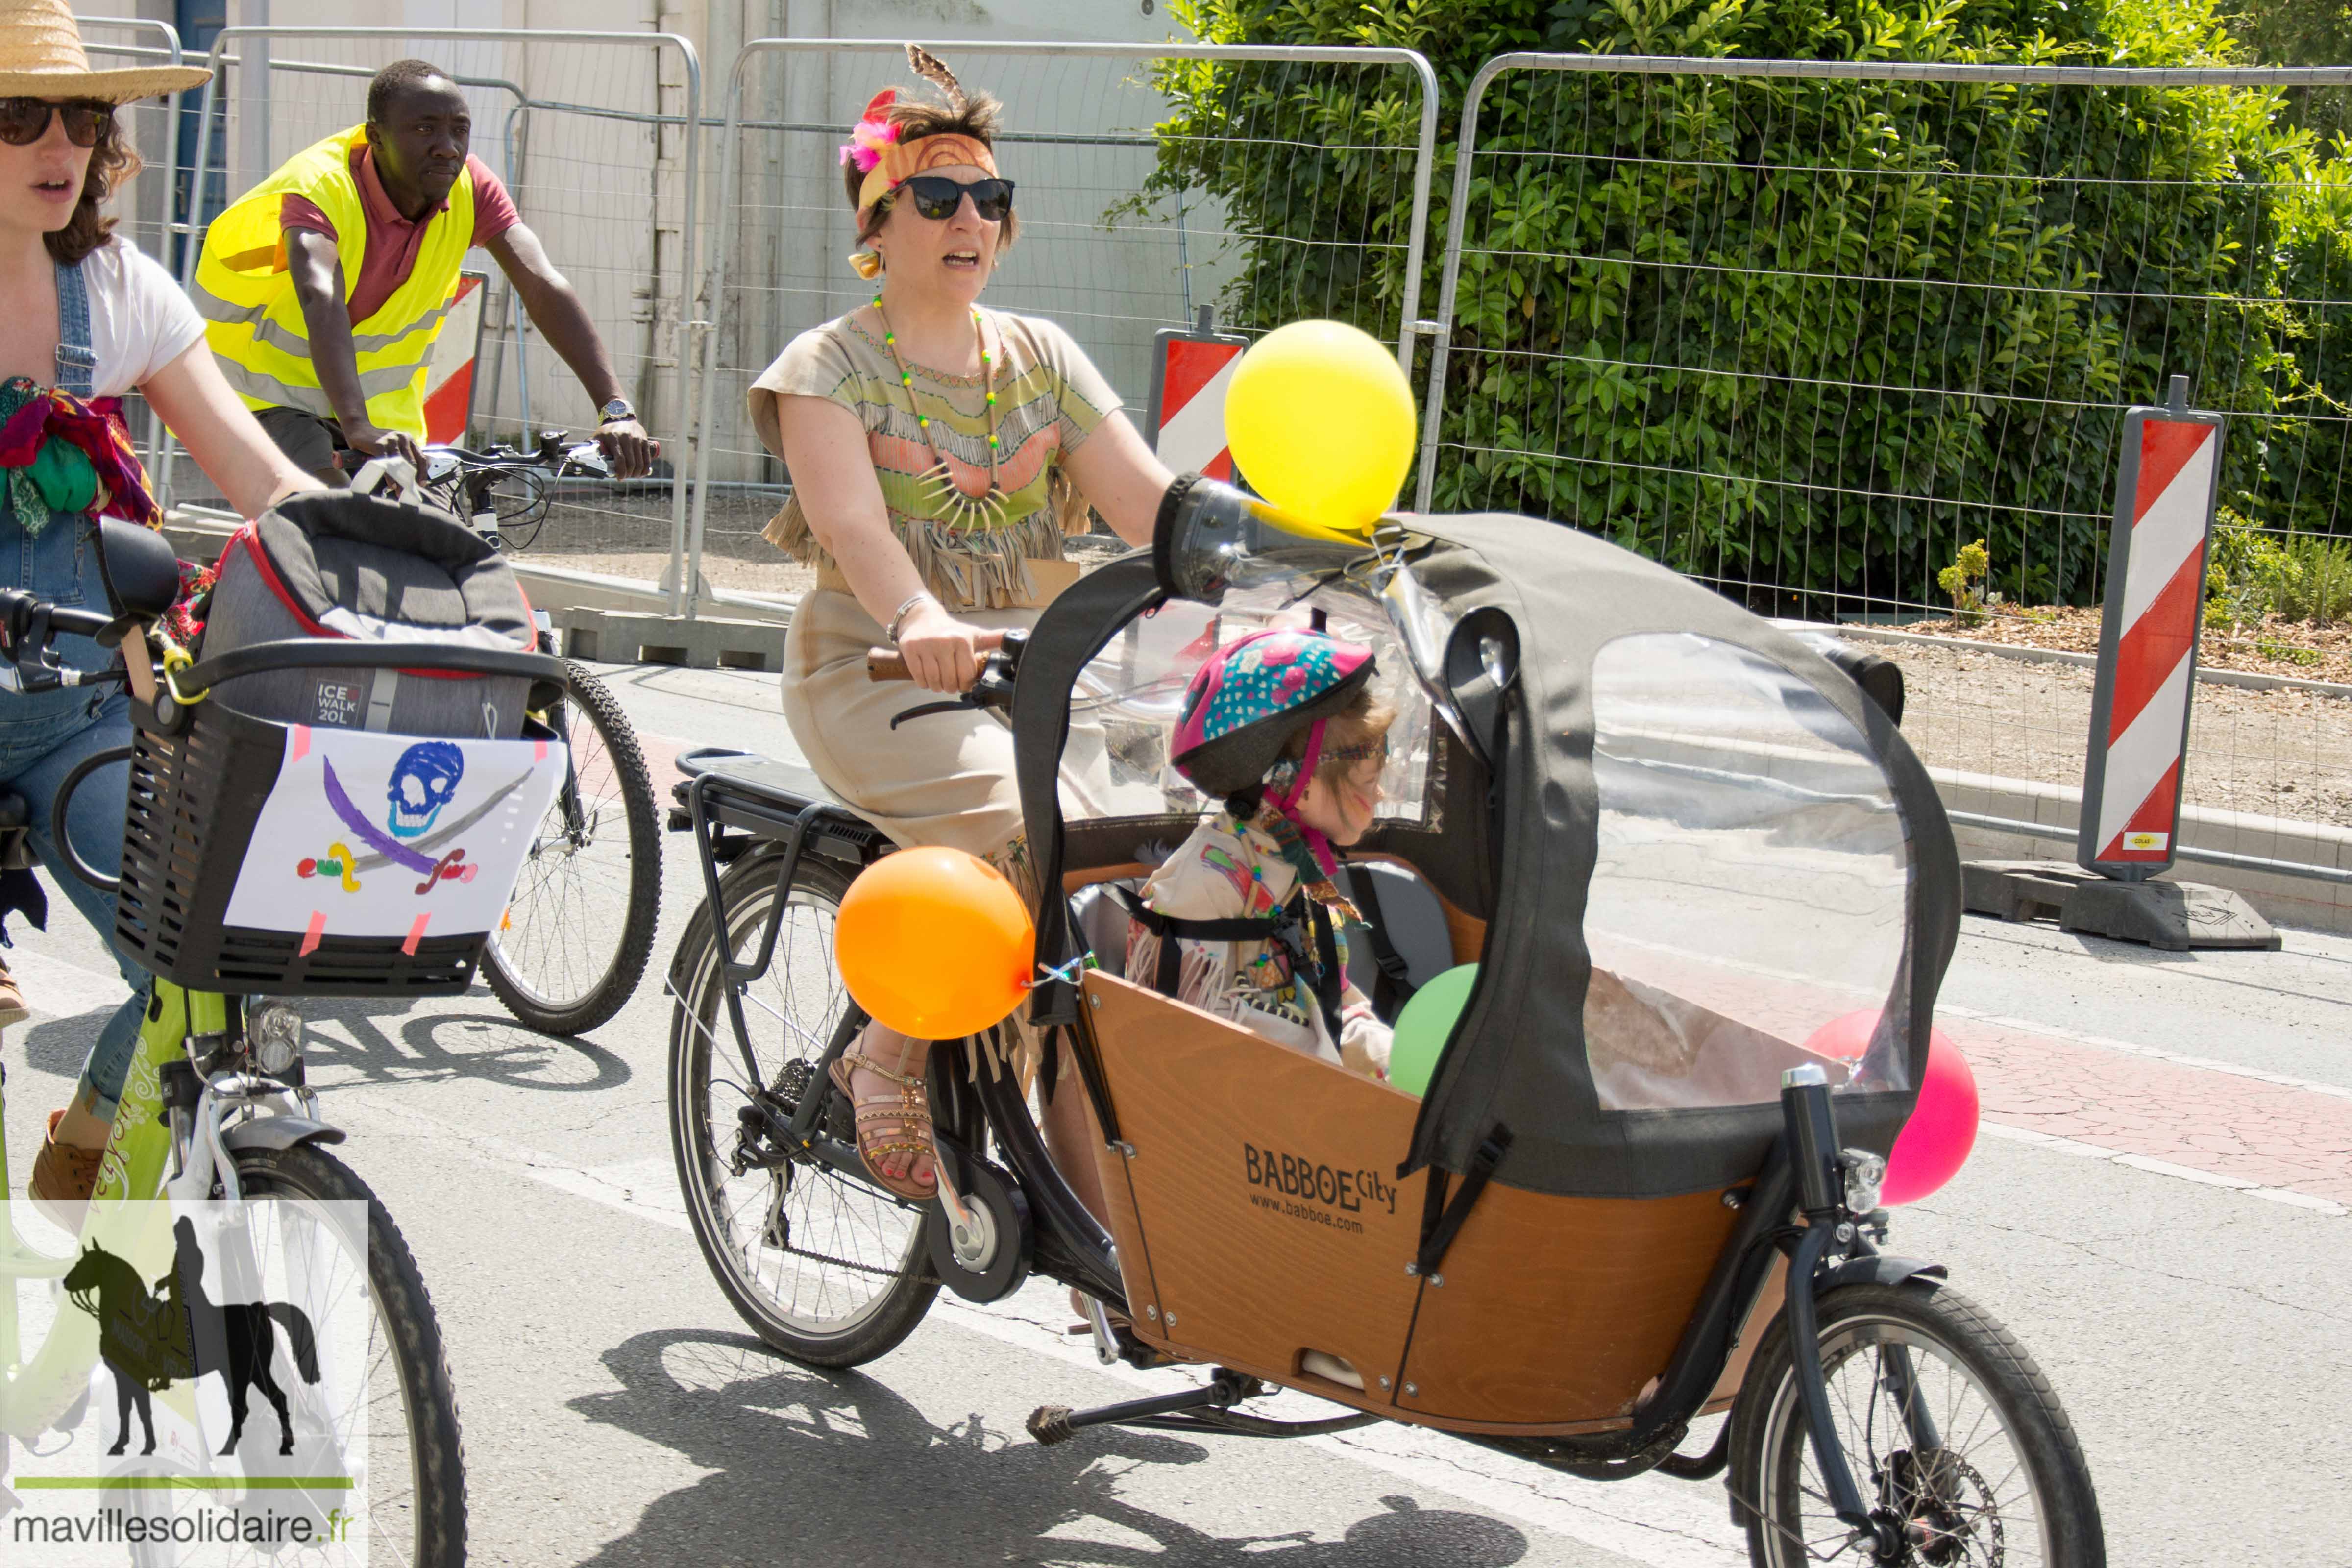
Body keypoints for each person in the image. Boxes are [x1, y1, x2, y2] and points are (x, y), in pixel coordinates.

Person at [747, 46, 1173, 1200]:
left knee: (1161, 852)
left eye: (990, 198)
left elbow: (1153, 508)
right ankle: (880, 1052)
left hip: (1042, 671)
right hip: (881, 670)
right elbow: (854, 528)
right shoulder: (824, 368)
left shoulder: (1041, 358)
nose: (969, 217)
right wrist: (922, 611)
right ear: (876, 222)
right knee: (1035, 824)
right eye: (936, 196)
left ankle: (1103, 1167)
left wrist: (1288, 546)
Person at [0, 0, 325, 1225]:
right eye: (17, 117)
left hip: (76, 711)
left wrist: (408, 559)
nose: (59, 147)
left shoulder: (114, 284)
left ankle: (79, 1174)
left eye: (79, 119)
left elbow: (265, 481)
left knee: (201, 967)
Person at [193, 58, 656, 485]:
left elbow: (542, 285)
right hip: (267, 395)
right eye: (425, 129)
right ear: (375, 137)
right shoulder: (321, 187)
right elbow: (320, 295)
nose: (447, 148)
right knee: (327, 524)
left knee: (430, 541)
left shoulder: (473, 187)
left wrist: (615, 410)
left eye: (460, 130)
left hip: (377, 415)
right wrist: (356, 426)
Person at [1126, 628, 1396, 1080]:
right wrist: (1334, 1049)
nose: (1383, 792)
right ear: (1301, 788)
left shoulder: (1295, 865)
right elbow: (1178, 1034)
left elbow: (1334, 987)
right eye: (1368, 782)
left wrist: (1378, 1044)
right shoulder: (1205, 882)